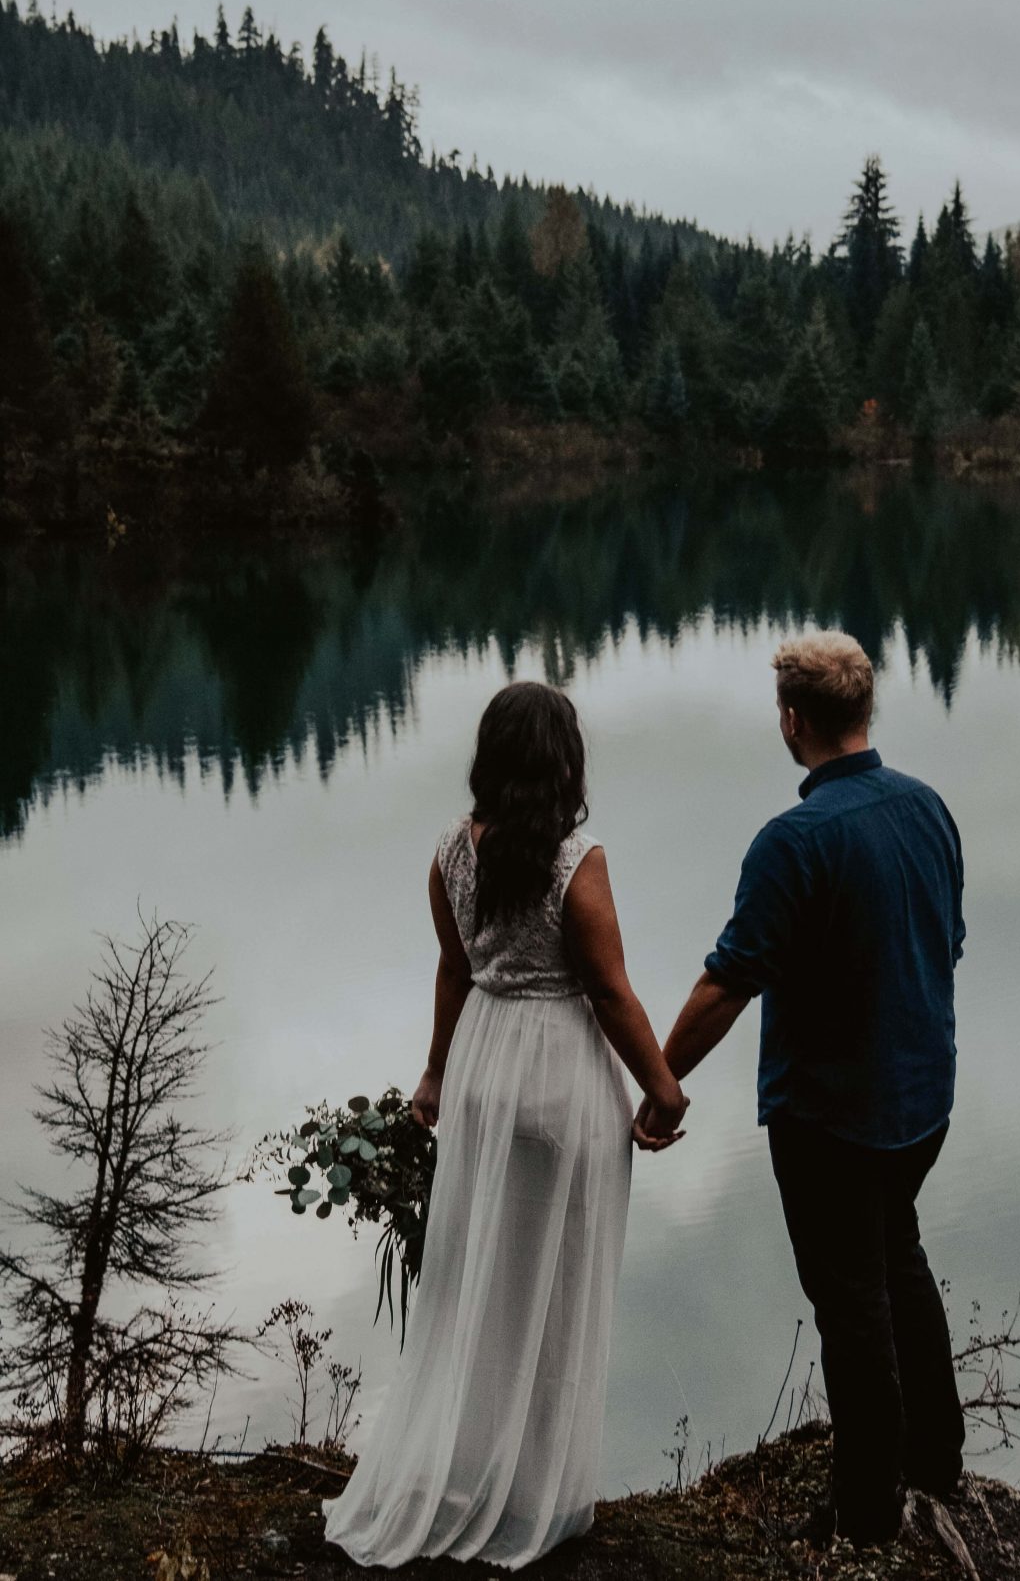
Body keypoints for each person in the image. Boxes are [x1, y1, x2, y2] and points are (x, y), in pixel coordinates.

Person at [323, 680, 688, 1571]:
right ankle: (539, 1493)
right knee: (556, 1281)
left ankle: (469, 1470)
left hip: (487, 1067)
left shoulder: (451, 849)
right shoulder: (577, 859)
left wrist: (439, 1072)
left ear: (490, 757)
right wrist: (663, 1088)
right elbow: (607, 990)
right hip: (560, 1075)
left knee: (480, 1272)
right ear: (564, 763)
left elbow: (455, 971)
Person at [636, 630, 966, 1549]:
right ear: (862, 712)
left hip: (833, 1117)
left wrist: (661, 1083)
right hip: (921, 1105)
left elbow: (729, 981)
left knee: (852, 1302)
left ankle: (865, 1515)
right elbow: (948, 943)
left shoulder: (794, 840)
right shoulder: (930, 808)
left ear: (792, 722)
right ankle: (936, 1460)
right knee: (896, 1259)